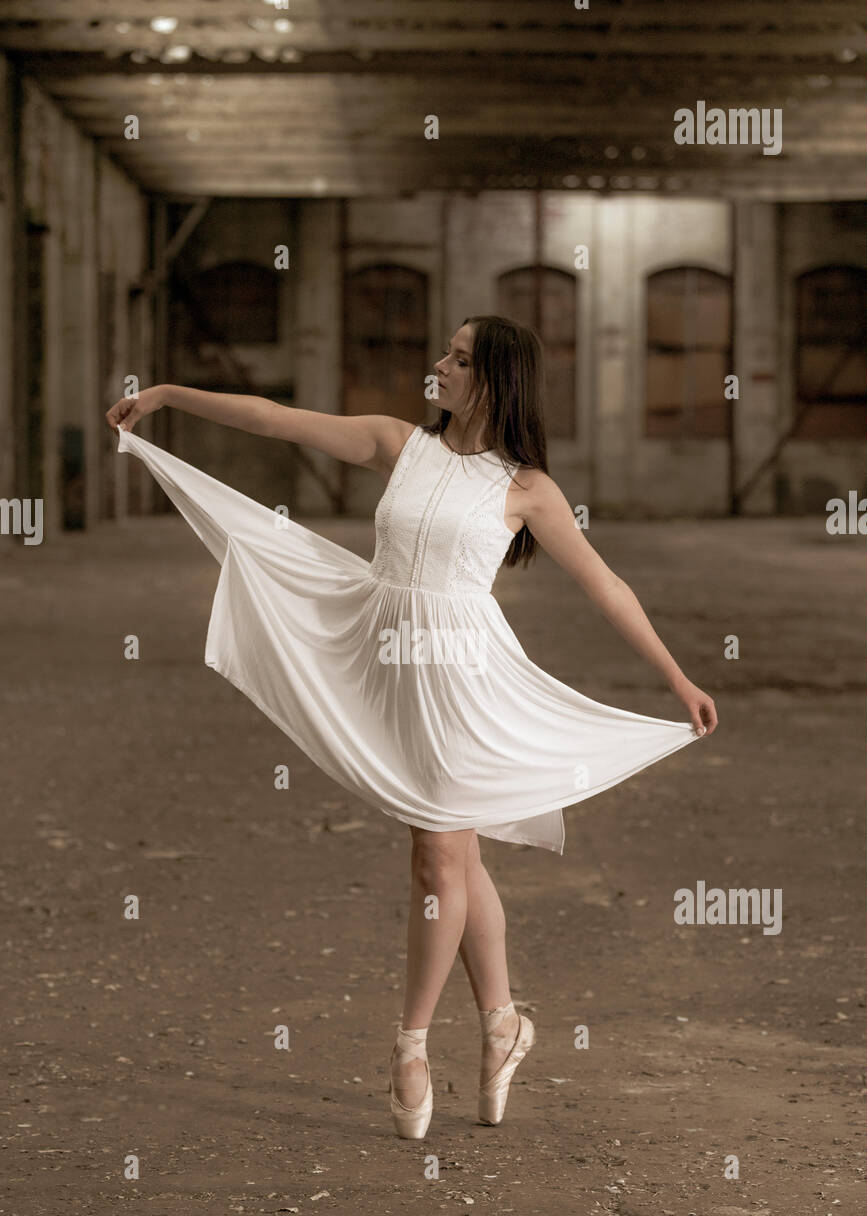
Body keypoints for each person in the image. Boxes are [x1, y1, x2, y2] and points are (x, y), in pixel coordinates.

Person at [105, 314, 717, 1141]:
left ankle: (409, 1047)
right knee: (457, 853)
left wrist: (675, 676)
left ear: (494, 381)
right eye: (445, 353)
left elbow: (604, 584)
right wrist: (170, 396)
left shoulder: (526, 489)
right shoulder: (399, 444)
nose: (438, 366)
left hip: (463, 680)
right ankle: (502, 1025)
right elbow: (274, 419)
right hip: (387, 662)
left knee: (436, 856)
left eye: (458, 360)